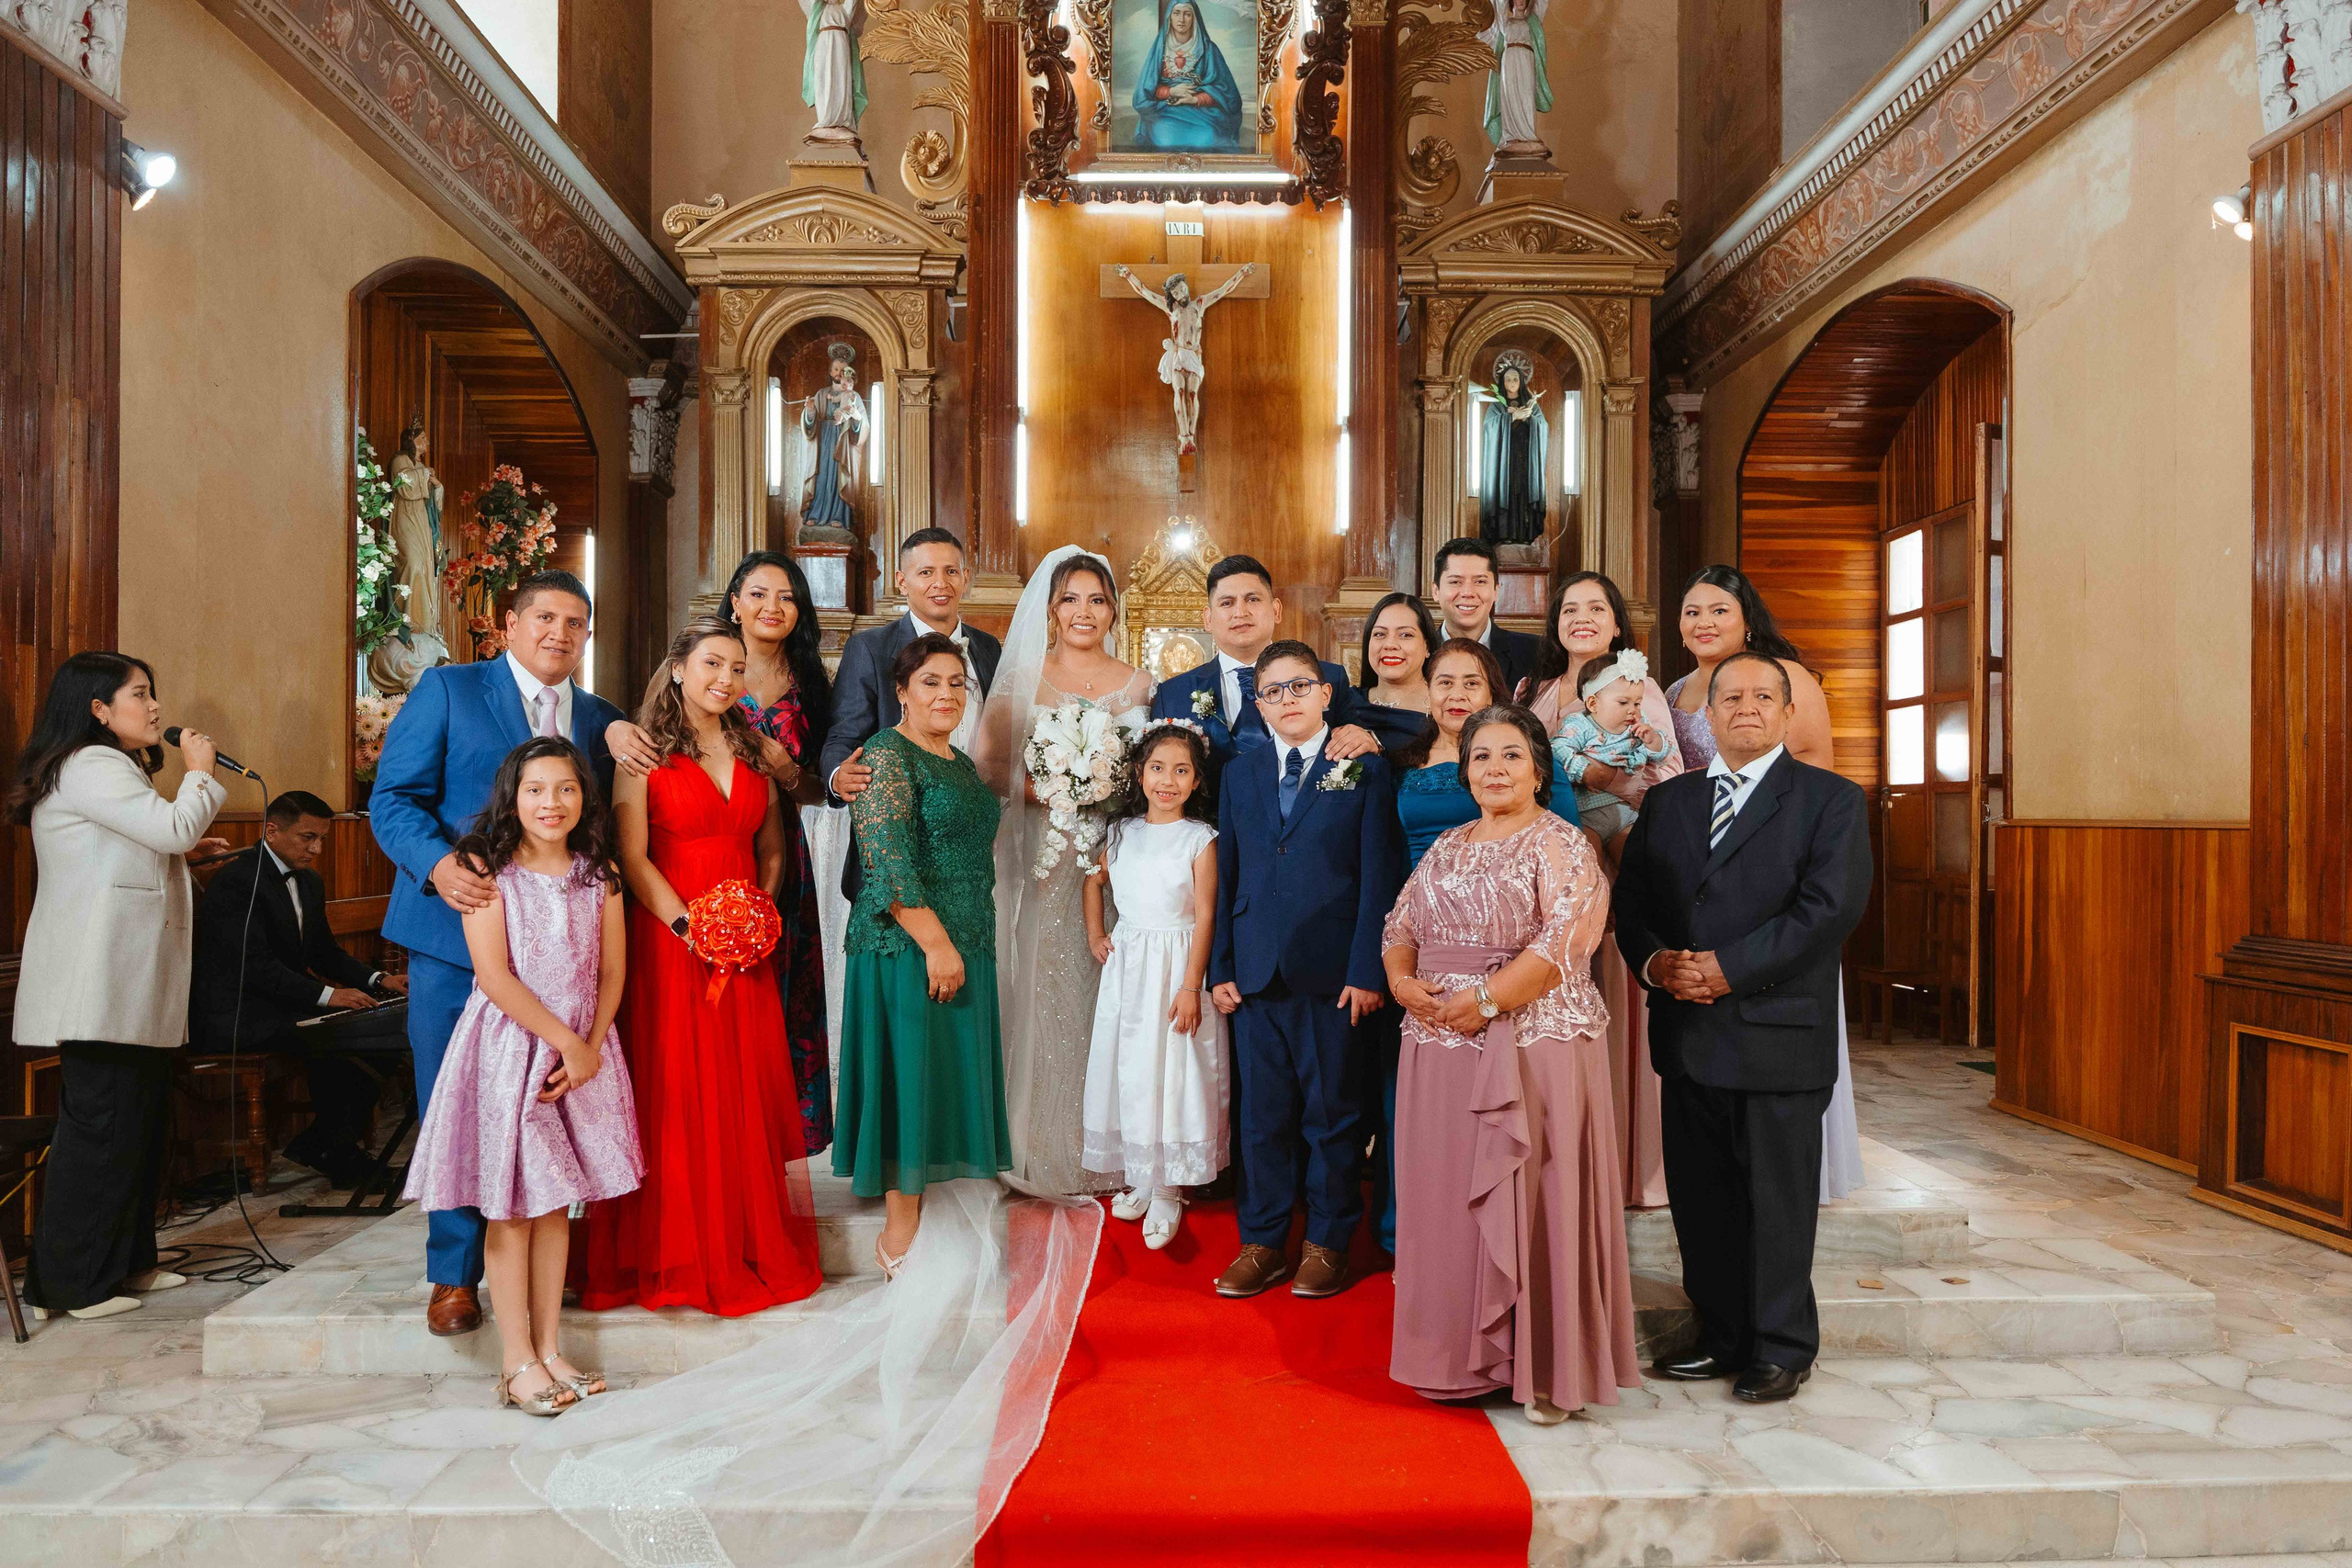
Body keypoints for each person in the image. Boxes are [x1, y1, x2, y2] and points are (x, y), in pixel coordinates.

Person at [372, 570, 629, 1337]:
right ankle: (454, 1273)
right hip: (458, 935)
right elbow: (393, 798)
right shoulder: (450, 689)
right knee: (456, 1102)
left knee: (544, 1105)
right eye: (544, 617)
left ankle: (550, 1260)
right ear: (509, 624)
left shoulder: (601, 719)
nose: (559, 632)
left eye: (575, 622)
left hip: (559, 956)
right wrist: (437, 863)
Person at [1613, 652, 1873, 1404]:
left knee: (1777, 1202)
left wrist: (1728, 967)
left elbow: (1827, 910)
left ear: (1788, 712)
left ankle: (1782, 1345)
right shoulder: (1669, 802)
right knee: (1703, 1201)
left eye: (1763, 696)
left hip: (1777, 1034)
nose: (1746, 708)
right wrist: (1656, 962)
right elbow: (1633, 902)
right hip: (1687, 1032)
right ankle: (1720, 1333)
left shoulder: (1830, 800)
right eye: (1730, 697)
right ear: (1710, 713)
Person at [1383, 705, 1638, 1423]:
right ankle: (1456, 1360)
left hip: (1533, 1046)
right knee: (1448, 1201)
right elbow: (1401, 923)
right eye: (1481, 756)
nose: (1495, 768)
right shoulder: (1446, 845)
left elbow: (1565, 944)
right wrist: (1401, 980)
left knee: (1538, 1194)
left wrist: (1488, 1000)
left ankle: (1549, 1367)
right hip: (1440, 1045)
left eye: (1511, 755)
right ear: (1464, 771)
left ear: (1538, 769)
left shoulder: (1563, 843)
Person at [571, 619, 823, 1316]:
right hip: (670, 941)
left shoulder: (753, 749)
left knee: (740, 1089)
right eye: (713, 663)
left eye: (738, 668)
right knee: (677, 1089)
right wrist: (692, 927)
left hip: (744, 949)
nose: (726, 679)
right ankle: (675, 1249)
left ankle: (739, 1238)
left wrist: (757, 914)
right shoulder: (642, 754)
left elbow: (772, 847)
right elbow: (631, 857)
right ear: (679, 667)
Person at [402, 738, 642, 1416]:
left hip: (579, 1053)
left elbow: (612, 971)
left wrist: (589, 1047)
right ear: (512, 796)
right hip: (514, 1049)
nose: (551, 803)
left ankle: (550, 1348)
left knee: (555, 1204)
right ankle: (516, 1361)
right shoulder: (487, 867)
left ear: (585, 797)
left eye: (566, 788)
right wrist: (565, 1041)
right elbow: (494, 976)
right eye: (535, 789)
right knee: (511, 1206)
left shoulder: (599, 873)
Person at [7, 652, 228, 1322]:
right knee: (102, 1133)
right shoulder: (89, 764)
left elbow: (134, 850)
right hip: (98, 982)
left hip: (127, 985)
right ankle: (70, 1287)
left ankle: (127, 1263)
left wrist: (184, 853)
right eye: (140, 693)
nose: (155, 706)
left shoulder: (112, 765)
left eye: (153, 692)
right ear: (98, 708)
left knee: (137, 1127)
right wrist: (199, 774)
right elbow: (172, 826)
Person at [1207, 641, 1403, 1300]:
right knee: (1261, 1118)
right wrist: (1221, 966)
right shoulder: (1240, 772)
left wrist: (1368, 969)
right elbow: (1227, 873)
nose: (1286, 699)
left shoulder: (1362, 766)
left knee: (1332, 1115)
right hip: (1255, 971)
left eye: (1299, 686)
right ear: (1258, 705)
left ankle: (1327, 1242)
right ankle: (1262, 1242)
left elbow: (1378, 875)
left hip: (1334, 973)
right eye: (1272, 691)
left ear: (1325, 694)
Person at [1371, 639, 1580, 1253]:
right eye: (1444, 682)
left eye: (1471, 682)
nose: (1457, 694)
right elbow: (1393, 895)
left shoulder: (1546, 815)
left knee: (1507, 1133)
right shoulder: (1410, 776)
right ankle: (1419, 1245)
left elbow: (1565, 896)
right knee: (1425, 1127)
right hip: (1426, 960)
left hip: (1516, 973)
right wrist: (1399, 973)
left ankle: (1510, 1258)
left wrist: (1492, 994)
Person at [1668, 564, 1862, 1201]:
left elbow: (1816, 774)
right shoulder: (1674, 692)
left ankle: (1789, 1171)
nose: (1704, 622)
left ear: (1747, 617)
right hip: (1697, 871)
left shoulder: (1785, 678)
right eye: (1692, 611)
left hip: (1772, 872)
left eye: (1719, 610)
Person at [836, 633, 1014, 1269]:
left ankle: (927, 1215)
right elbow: (887, 864)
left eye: (956, 683)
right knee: (906, 1079)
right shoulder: (886, 755)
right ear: (902, 692)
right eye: (931, 682)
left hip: (966, 939)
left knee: (935, 1082)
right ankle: (898, 1233)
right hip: (908, 947)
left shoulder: (960, 763)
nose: (946, 694)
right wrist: (937, 945)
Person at [976, 547, 1149, 1197]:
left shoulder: (1141, 685)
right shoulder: (1024, 678)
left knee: (1118, 993)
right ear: (1050, 611)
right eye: (1070, 599)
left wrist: (1110, 788)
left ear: (1113, 611)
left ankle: (1119, 1147)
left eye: (1097, 600)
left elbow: (1158, 771)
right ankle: (1045, 1145)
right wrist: (1056, 789)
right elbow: (991, 769)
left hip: (1120, 860)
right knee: (1051, 988)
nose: (1084, 611)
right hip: (1048, 861)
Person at [1525, 570, 1682, 1209]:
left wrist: (1609, 782)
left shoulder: (1639, 689)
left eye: (1596, 607)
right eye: (1570, 608)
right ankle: (1563, 1164)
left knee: (1619, 999)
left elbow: (1670, 773)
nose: (1582, 618)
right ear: (1556, 622)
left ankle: (1628, 1166)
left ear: (1618, 623)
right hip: (1547, 871)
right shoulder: (1535, 690)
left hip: (1625, 858)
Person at [191, 790, 409, 1189]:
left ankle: (326, 1142)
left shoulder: (308, 881)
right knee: (343, 1038)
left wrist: (379, 980)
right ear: (272, 831)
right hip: (238, 1014)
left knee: (381, 1034)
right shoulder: (237, 881)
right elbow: (252, 966)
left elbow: (323, 952)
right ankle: (335, 1151)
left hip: (285, 1005)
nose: (317, 849)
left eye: (322, 839)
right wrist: (328, 996)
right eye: (308, 837)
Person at [1080, 721, 1224, 1249]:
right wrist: (1096, 933)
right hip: (1130, 969)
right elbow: (1093, 881)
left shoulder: (1200, 839)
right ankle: (1142, 1173)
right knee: (1134, 1067)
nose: (1168, 780)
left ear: (1196, 781)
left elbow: (1205, 915)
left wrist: (1191, 987)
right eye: (1158, 768)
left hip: (1177, 966)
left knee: (1175, 1070)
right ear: (1140, 773)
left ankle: (1168, 1187)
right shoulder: (1121, 833)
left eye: (1181, 771)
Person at [725, 550, 836, 1159]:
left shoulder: (812, 685)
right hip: (712, 844)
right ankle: (722, 1128)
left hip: (784, 853)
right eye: (759, 594)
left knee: (783, 989)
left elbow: (823, 788)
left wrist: (787, 770)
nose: (773, 606)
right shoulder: (706, 664)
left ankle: (775, 1137)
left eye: (787, 597)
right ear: (735, 603)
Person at [820, 528, 1003, 897]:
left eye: (951, 571)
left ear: (966, 578)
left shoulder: (988, 647)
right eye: (926, 572)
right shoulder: (870, 648)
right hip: (905, 837)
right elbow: (843, 736)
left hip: (979, 836)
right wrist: (839, 776)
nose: (941, 583)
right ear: (902, 581)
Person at [1148, 554, 1372, 797]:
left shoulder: (1328, 677)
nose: (1240, 612)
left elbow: (1357, 749)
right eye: (1227, 603)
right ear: (1208, 619)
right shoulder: (1173, 695)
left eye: (1252, 599)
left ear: (1276, 610)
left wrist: (1368, 739)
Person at [1552, 650, 1672, 855]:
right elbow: (1557, 749)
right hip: (1588, 813)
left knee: (1634, 858)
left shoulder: (1638, 727)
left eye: (1637, 703)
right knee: (1588, 856)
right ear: (1593, 704)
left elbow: (1662, 757)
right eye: (1623, 703)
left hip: (1628, 813)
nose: (1632, 710)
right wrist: (1584, 770)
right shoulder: (1580, 725)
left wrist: (1653, 741)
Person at [1130, 0, 1244, 152]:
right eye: (1176, 13)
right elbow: (1145, 91)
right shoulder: (1160, 49)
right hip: (1166, 111)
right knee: (1166, 141)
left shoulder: (1209, 50)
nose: (1181, 19)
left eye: (1187, 14)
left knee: (1206, 139)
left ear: (1194, 18)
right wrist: (1170, 91)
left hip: (1203, 114)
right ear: (1170, 17)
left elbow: (1227, 92)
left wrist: (1195, 99)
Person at [1432, 537, 1541, 695]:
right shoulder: (1418, 655)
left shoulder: (1535, 652)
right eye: (1455, 582)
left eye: (1480, 581)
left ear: (1496, 590)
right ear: (1436, 591)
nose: (1468, 593)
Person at [1354, 591, 1441, 758]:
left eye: (1405, 635)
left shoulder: (1445, 708)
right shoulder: (1347, 703)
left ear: (1427, 647)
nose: (1390, 644)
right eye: (1380, 634)